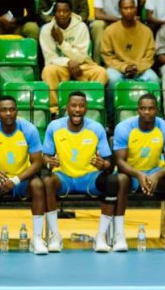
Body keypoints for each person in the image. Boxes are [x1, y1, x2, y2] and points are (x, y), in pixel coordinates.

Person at [41, 91, 114, 252]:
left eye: (81, 106)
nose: (77, 109)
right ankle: (55, 236)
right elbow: (45, 156)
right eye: (73, 106)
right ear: (66, 108)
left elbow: (108, 161)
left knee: (112, 181)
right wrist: (48, 161)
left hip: (90, 178)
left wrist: (103, 164)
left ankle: (101, 236)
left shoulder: (96, 128)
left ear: (86, 108)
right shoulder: (54, 127)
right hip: (63, 178)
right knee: (47, 181)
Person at [0, 95, 46, 255]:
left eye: (12, 109)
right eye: (4, 110)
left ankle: (37, 239)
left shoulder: (28, 129)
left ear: (16, 111)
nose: (8, 113)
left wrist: (16, 179)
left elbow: (37, 163)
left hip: (22, 180)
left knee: (38, 185)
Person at [113, 94, 165, 252]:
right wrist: (139, 175)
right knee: (121, 179)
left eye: (151, 108)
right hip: (131, 173)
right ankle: (119, 236)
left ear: (157, 110)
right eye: (143, 108)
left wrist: (156, 175)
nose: (147, 112)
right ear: (138, 110)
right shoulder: (124, 128)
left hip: (155, 173)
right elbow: (120, 162)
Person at [40, 0, 108, 116]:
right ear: (54, 13)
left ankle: (91, 109)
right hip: (60, 67)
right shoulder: (47, 30)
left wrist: (62, 43)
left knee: (101, 72)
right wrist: (68, 62)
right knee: (48, 71)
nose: (62, 14)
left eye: (65, 11)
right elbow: (50, 58)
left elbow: (81, 57)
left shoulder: (81, 27)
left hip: (82, 66)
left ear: (71, 12)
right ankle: (54, 112)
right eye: (58, 11)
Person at [101, 0, 158, 116]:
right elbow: (107, 56)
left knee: (153, 79)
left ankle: (153, 115)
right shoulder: (110, 31)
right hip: (118, 69)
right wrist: (124, 67)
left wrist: (137, 68)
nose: (129, 11)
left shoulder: (146, 31)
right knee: (112, 79)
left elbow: (149, 56)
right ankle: (111, 116)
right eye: (125, 8)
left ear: (136, 9)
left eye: (132, 7)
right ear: (120, 10)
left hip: (141, 69)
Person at [91, 0, 139, 65]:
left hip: (125, 22)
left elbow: (132, 12)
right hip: (107, 20)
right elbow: (97, 14)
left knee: (136, 24)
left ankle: (130, 63)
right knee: (97, 25)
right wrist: (120, 20)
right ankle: (97, 64)